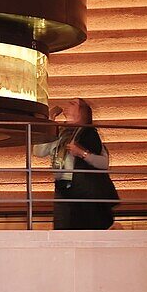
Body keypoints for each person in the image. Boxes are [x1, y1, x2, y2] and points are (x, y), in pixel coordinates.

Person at [33, 97, 119, 230]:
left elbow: (103, 162)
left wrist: (82, 153)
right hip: (63, 188)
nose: (67, 105)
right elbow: (39, 151)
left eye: (73, 104)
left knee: (84, 226)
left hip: (83, 189)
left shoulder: (89, 133)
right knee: (63, 228)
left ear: (82, 111)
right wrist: (49, 122)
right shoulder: (60, 132)